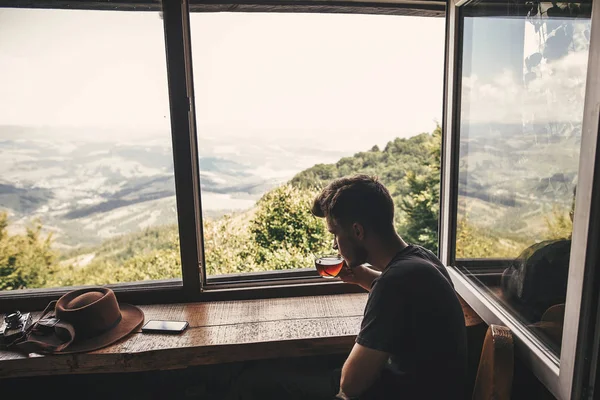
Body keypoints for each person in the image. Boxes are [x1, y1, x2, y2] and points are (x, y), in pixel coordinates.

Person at [226, 175, 467, 400]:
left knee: (253, 381)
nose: (334, 245)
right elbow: (399, 296)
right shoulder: (421, 259)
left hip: (398, 392)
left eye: (334, 234)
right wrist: (359, 275)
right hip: (429, 387)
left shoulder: (394, 283)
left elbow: (350, 385)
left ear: (357, 231)